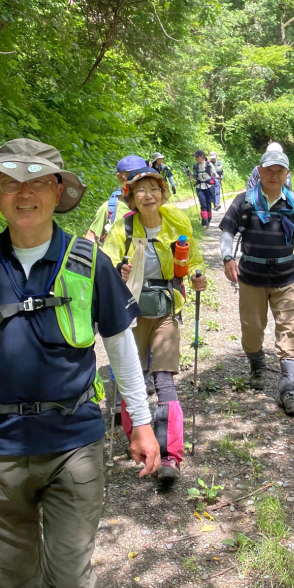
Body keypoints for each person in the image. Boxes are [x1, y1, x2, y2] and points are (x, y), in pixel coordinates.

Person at [0, 139, 160, 588]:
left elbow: (122, 346)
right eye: (10, 182)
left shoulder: (90, 264)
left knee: (69, 583)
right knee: (12, 585)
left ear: (57, 191)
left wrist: (143, 422)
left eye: (38, 182)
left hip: (74, 443)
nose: (24, 194)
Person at [101, 167, 206, 483]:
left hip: (165, 309)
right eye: (141, 190)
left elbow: (194, 259)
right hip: (130, 312)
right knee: (132, 380)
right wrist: (117, 271)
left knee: (164, 380)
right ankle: (141, 447)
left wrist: (198, 275)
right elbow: (106, 263)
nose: (149, 195)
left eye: (154, 189)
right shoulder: (123, 228)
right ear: (131, 197)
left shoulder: (176, 222)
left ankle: (171, 456)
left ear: (163, 194)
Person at [219, 148, 294, 417]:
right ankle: (257, 366)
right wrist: (228, 258)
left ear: (287, 174)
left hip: (286, 277)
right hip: (251, 277)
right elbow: (227, 233)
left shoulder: (293, 201)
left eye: (280, 171)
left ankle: (289, 390)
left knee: (289, 330)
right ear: (259, 171)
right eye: (269, 170)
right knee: (252, 330)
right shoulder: (244, 201)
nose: (274, 175)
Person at [84, 155, 147, 244]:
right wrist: (103, 255)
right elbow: (90, 239)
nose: (139, 177)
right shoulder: (110, 208)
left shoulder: (152, 204)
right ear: (120, 177)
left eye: (143, 173)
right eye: (133, 174)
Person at [191, 150, 218, 228]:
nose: (196, 158)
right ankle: (204, 222)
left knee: (208, 205)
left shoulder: (209, 165)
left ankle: (208, 220)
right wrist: (190, 175)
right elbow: (195, 176)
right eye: (195, 156)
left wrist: (217, 177)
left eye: (197, 156)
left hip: (209, 187)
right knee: (203, 204)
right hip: (200, 187)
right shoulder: (195, 166)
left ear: (202, 156)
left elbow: (214, 174)